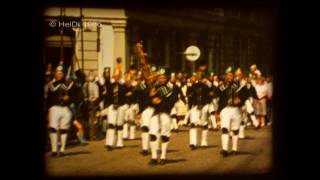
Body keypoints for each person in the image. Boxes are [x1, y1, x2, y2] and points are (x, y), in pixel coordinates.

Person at [217, 66, 247, 157]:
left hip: (236, 110)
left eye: (231, 75)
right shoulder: (222, 86)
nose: (229, 77)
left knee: (235, 130)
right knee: (225, 129)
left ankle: (234, 149)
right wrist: (217, 112)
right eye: (228, 75)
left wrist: (240, 100)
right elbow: (220, 99)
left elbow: (245, 95)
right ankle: (225, 149)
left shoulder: (240, 85)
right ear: (226, 76)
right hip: (225, 109)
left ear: (233, 76)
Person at [46, 65, 75, 157]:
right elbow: (47, 98)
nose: (59, 75)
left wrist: (69, 98)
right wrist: (47, 110)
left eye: (61, 73)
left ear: (64, 74)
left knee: (64, 129)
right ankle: (54, 150)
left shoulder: (69, 84)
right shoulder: (50, 85)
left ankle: (62, 150)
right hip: (54, 108)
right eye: (58, 73)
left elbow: (75, 96)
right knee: (53, 129)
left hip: (65, 109)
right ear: (55, 74)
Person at [148, 68, 174, 165]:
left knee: (164, 135)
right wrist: (151, 98)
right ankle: (154, 157)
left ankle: (163, 156)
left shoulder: (171, 89)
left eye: (163, 77)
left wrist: (160, 101)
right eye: (160, 77)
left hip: (165, 113)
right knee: (153, 134)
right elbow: (148, 102)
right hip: (155, 113)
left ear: (167, 78)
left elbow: (171, 102)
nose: (161, 79)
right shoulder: (154, 88)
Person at [187, 71, 211, 149]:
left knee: (204, 124)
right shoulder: (192, 85)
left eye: (201, 77)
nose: (199, 78)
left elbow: (212, 94)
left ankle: (204, 142)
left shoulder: (207, 86)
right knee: (193, 124)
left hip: (204, 106)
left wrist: (206, 104)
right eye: (198, 76)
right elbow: (188, 95)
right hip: (195, 106)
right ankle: (193, 143)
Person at [103, 72, 127, 150]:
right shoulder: (110, 85)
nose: (116, 77)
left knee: (119, 125)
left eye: (118, 76)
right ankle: (109, 143)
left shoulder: (122, 86)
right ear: (113, 77)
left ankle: (120, 143)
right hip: (112, 106)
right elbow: (106, 93)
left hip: (120, 106)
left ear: (119, 77)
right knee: (111, 124)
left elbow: (124, 95)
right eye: (115, 76)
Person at [82, 71, 100, 141]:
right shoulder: (94, 85)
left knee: (86, 120)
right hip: (92, 103)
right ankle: (92, 135)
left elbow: (83, 94)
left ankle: (86, 135)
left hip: (85, 103)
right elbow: (97, 97)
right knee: (92, 120)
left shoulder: (85, 84)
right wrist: (97, 105)